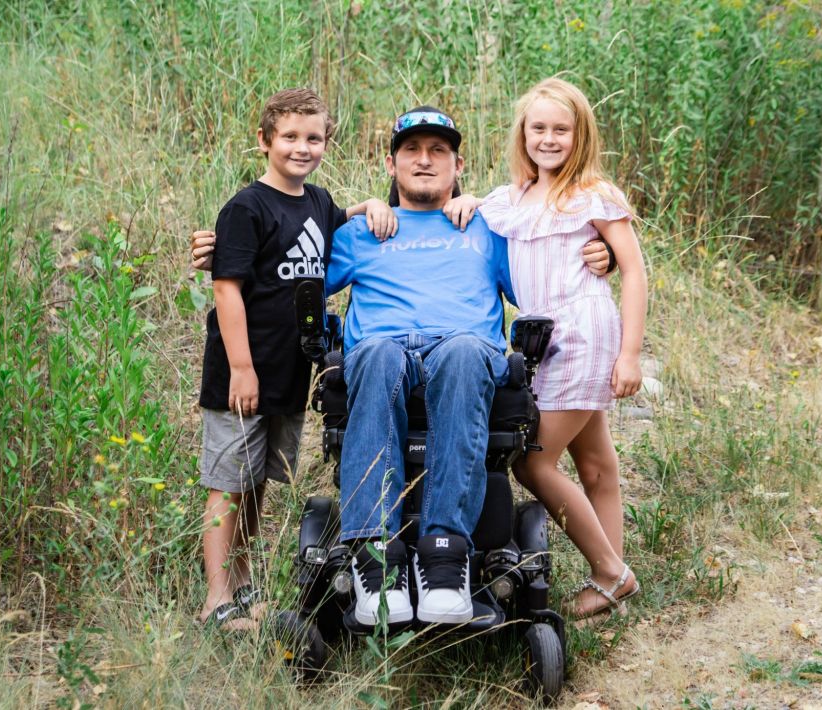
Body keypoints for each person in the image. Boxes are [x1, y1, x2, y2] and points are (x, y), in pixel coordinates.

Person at [190, 107, 613, 627]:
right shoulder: (360, 232)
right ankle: (376, 558)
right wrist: (221, 252)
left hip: (463, 349)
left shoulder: (490, 228)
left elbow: (548, 271)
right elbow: (282, 267)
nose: (424, 160)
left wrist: (602, 254)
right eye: (412, 150)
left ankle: (444, 556)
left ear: (459, 165)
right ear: (391, 164)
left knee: (463, 352)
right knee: (375, 353)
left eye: (438, 151)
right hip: (382, 350)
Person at [445, 77, 647, 624]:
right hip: (540, 341)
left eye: (562, 129)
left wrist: (630, 354)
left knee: (532, 463)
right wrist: (465, 201)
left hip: (582, 333)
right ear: (523, 133)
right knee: (596, 464)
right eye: (539, 128)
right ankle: (609, 587)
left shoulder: (592, 195)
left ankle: (611, 572)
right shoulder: (512, 199)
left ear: (581, 135)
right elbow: (478, 214)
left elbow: (633, 270)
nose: (549, 139)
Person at [195, 88, 396, 631]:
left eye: (313, 138)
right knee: (228, 482)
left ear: (326, 142)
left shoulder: (317, 202)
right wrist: (242, 367)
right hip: (243, 371)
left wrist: (370, 206)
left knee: (256, 483)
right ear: (264, 140)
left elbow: (341, 221)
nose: (301, 148)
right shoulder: (246, 208)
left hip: (288, 372)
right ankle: (216, 599)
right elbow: (227, 289)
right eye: (289, 137)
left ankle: (243, 587)